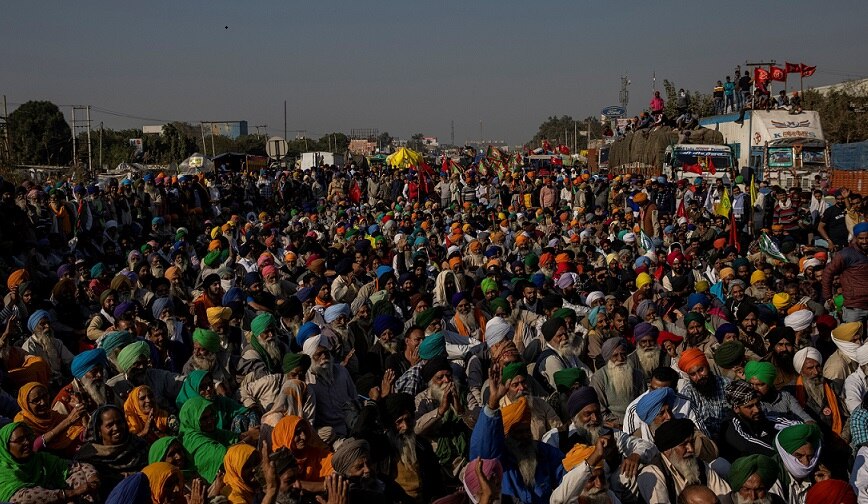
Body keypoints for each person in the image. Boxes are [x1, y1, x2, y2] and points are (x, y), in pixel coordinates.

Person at [0, 422, 100, 503]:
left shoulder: (40, 458)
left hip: (58, 495)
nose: (27, 442)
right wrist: (69, 494)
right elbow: (24, 498)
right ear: (6, 446)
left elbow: (75, 466)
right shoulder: (4, 471)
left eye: (29, 437)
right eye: (20, 440)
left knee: (79, 476)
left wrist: (92, 478)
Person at [637, 418, 731, 502]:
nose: (691, 449)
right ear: (667, 450)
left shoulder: (700, 465)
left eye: (691, 442)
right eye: (684, 444)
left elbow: (725, 496)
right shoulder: (653, 474)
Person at [75, 404, 149, 492]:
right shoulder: (89, 456)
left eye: (119, 422)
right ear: (99, 430)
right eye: (109, 425)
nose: (116, 428)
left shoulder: (138, 444)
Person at [14, 382, 85, 457]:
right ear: (26, 404)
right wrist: (68, 420)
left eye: (45, 396)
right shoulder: (22, 423)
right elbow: (35, 445)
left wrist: (81, 409)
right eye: (36, 400)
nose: (43, 402)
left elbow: (79, 429)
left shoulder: (52, 415)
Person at [720, 454, 785, 504]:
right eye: (746, 489)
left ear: (766, 488)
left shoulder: (776, 501)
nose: (753, 496)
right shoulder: (723, 502)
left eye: (759, 490)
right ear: (738, 488)